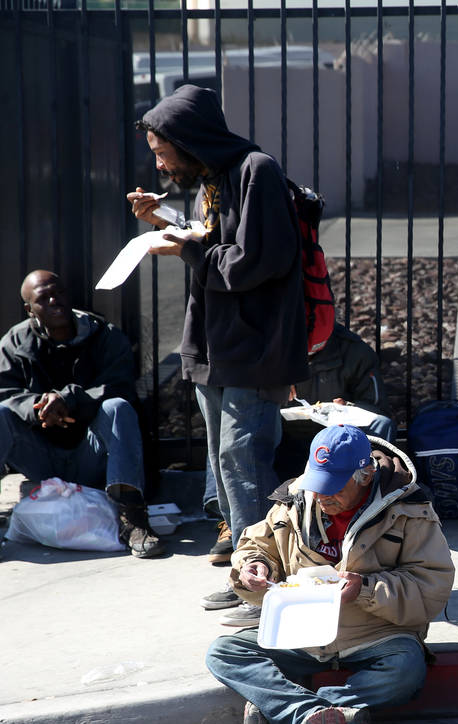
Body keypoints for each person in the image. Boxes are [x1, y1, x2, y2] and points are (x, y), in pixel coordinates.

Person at [126, 85, 310, 619]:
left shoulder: (257, 171)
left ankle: (262, 579)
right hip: (215, 338)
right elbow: (213, 239)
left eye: (163, 153)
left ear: (190, 141)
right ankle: (244, 566)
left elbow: (259, 259)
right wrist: (164, 226)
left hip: (253, 344)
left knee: (241, 455)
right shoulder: (215, 177)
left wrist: (186, 247)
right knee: (220, 455)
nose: (160, 166)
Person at [205, 424, 454, 724]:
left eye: (334, 487)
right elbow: (256, 545)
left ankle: (291, 710)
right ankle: (313, 714)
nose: (322, 496)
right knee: (224, 652)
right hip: (300, 632)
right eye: (318, 484)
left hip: (375, 633)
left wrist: (365, 588)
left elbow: (430, 586)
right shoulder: (293, 501)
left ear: (364, 475)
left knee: (406, 667)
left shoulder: (409, 509)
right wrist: (252, 568)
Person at [0, 270, 164, 558]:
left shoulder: (104, 334)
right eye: (44, 298)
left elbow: (121, 385)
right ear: (30, 309)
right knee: (1, 413)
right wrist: (39, 405)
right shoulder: (15, 342)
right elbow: (5, 392)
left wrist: (68, 399)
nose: (55, 300)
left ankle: (133, 519)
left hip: (92, 454)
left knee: (118, 407)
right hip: (42, 455)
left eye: (59, 292)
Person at [203, 322, 394, 568]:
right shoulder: (267, 347)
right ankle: (230, 522)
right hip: (282, 436)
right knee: (231, 441)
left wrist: (349, 408)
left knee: (380, 427)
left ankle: (371, 509)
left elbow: (377, 410)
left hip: (331, 442)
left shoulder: (354, 352)